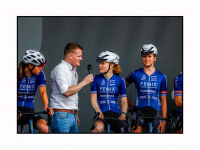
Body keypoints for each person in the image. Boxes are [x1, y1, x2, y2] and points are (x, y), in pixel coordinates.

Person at [49, 42, 93, 133]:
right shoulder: (60, 69)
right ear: (70, 56)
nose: (81, 58)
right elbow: (66, 92)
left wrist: (75, 113)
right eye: (79, 56)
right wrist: (84, 82)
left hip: (71, 114)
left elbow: (73, 95)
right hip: (61, 114)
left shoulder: (73, 71)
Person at [125, 44, 167, 133]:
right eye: (144, 56)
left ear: (155, 57)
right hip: (139, 110)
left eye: (149, 56)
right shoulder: (135, 74)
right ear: (142, 58)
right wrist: (131, 105)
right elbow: (121, 89)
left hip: (156, 112)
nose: (146, 59)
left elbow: (163, 100)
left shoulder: (162, 76)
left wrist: (164, 119)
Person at [91, 51, 128, 133]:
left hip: (116, 114)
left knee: (124, 130)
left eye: (103, 63)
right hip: (101, 113)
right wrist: (98, 111)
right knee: (97, 128)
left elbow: (124, 102)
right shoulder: (95, 79)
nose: (100, 65)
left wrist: (123, 114)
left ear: (111, 65)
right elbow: (93, 100)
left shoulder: (120, 80)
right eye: (100, 63)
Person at [17, 50, 54, 133]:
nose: (41, 68)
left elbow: (43, 91)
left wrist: (46, 105)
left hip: (29, 110)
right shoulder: (16, 73)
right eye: (39, 66)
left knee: (44, 128)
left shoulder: (40, 74)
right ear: (30, 66)